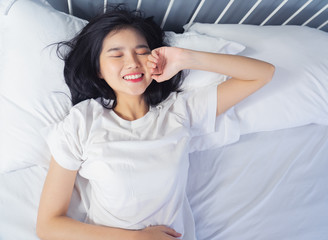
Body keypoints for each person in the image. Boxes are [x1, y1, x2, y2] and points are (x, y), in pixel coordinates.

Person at [36, 5, 275, 240]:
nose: (133, 63)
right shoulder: (82, 122)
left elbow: (262, 74)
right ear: (98, 69)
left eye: (142, 52)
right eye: (117, 55)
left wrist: (185, 58)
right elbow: (49, 226)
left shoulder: (179, 111)